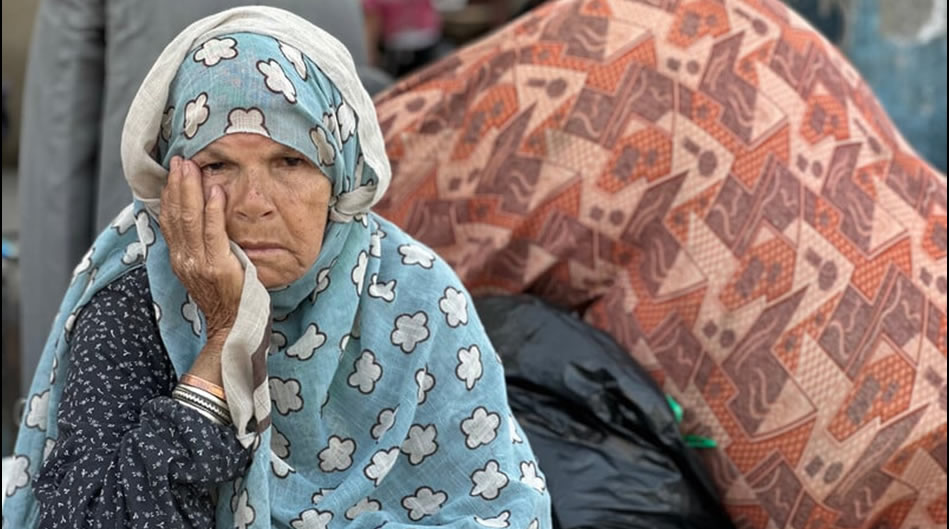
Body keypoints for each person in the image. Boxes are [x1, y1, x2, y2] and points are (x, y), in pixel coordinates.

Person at [3, 7, 552, 528]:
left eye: (290, 162)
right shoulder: (135, 300)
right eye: (217, 165)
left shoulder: (415, 296)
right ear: (175, 186)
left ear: (339, 177)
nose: (253, 202)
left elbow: (503, 507)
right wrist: (223, 344)